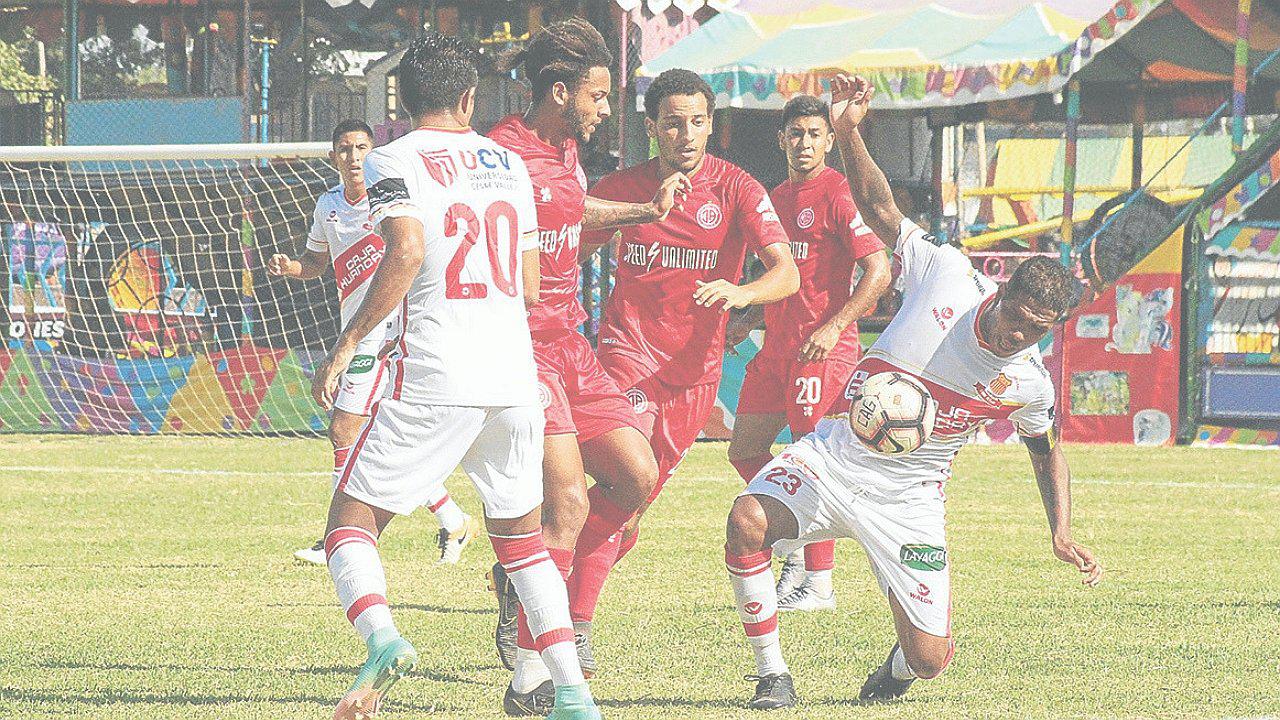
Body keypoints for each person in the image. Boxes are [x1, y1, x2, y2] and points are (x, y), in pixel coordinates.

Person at [723, 75, 1104, 710]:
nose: (1015, 336)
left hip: (909, 502)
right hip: (835, 458)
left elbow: (1046, 451)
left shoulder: (1027, 381)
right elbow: (879, 209)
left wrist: (1060, 531)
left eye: (1034, 332)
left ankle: (896, 671)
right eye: (1014, 318)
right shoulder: (950, 275)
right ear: (999, 290)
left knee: (932, 660)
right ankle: (773, 675)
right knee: (746, 521)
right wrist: (848, 131)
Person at [309, 34, 598, 720]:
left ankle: (382, 640)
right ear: (469, 97)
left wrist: (350, 339)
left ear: (401, 102)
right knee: (525, 546)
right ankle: (572, 693)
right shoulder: (507, 162)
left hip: (438, 372)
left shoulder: (391, 157)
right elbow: (530, 287)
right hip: (513, 378)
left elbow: (406, 247)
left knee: (348, 526)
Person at [486, 18, 692, 714]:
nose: (607, 110)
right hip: (521, 352)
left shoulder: (567, 150)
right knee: (568, 504)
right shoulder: (499, 157)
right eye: (599, 96)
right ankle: (529, 672)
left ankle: (529, 577)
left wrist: (642, 208)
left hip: (572, 347)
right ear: (558, 90)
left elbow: (572, 213)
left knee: (637, 477)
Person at [566, 68, 800, 668]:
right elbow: (568, 250)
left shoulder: (739, 188)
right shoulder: (625, 187)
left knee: (630, 516)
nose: (686, 134)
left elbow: (786, 273)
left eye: (697, 121)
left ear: (711, 124)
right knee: (626, 483)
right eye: (673, 122)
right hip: (627, 359)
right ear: (653, 128)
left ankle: (534, 569)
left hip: (694, 378)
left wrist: (742, 294)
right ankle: (572, 625)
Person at [270, 120, 479, 568]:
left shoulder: (392, 200)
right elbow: (316, 262)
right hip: (357, 329)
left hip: (385, 332)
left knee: (344, 428)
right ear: (333, 158)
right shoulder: (328, 206)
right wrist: (293, 267)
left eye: (361, 147)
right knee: (376, 436)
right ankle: (452, 517)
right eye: (344, 149)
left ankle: (336, 539)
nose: (354, 157)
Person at [725, 95, 890, 612]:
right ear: (782, 139)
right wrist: (748, 317)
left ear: (829, 140)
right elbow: (782, 277)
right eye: (795, 134)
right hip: (775, 350)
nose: (804, 143)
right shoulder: (773, 197)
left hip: (822, 352)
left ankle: (818, 583)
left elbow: (879, 271)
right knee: (743, 449)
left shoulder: (839, 194)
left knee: (811, 461)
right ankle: (795, 541)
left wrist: (837, 325)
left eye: (815, 134)